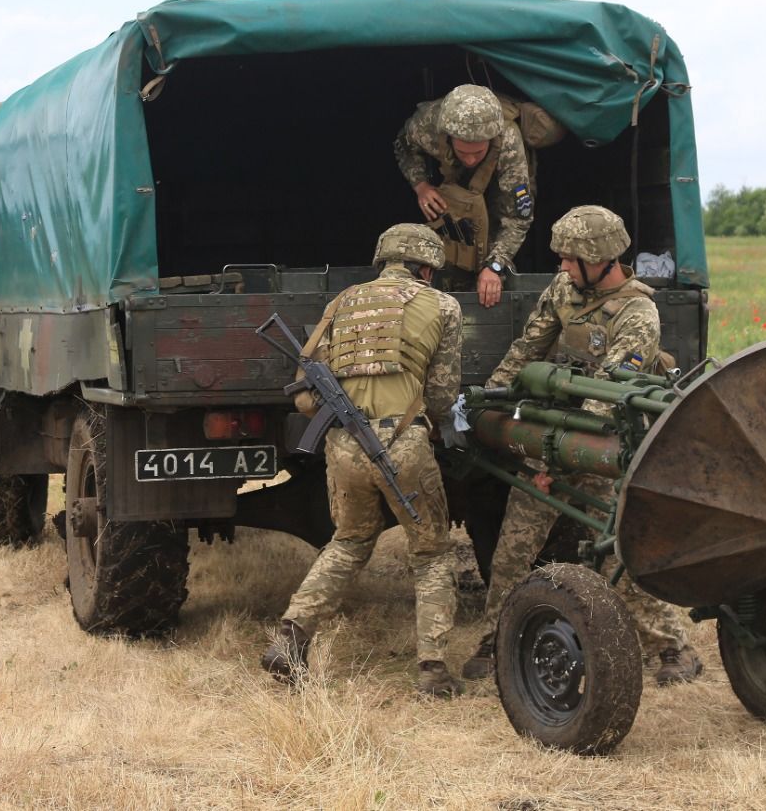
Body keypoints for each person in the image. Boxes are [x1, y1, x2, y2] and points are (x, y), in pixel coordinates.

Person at [461, 205, 703, 686]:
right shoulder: (564, 291)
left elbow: (612, 396)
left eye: (571, 259)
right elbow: (528, 348)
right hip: (554, 433)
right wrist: (489, 396)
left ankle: (671, 649)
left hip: (603, 446)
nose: (563, 267)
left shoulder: (638, 313)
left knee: (613, 552)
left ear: (602, 260)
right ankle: (496, 636)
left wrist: (561, 458)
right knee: (513, 549)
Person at [261, 223, 466, 696]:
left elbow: (306, 398)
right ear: (426, 268)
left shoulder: (342, 303)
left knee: (349, 542)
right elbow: (440, 395)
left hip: (345, 446)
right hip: (404, 443)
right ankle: (433, 671)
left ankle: (290, 639)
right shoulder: (444, 306)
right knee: (432, 553)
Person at [393, 84, 533, 309]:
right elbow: (403, 146)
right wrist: (420, 185)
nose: (469, 160)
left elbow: (518, 219)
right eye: (463, 152)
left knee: (499, 227)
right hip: (450, 182)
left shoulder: (508, 142)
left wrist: (494, 267)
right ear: (448, 138)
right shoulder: (426, 124)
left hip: (497, 184)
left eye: (477, 152)